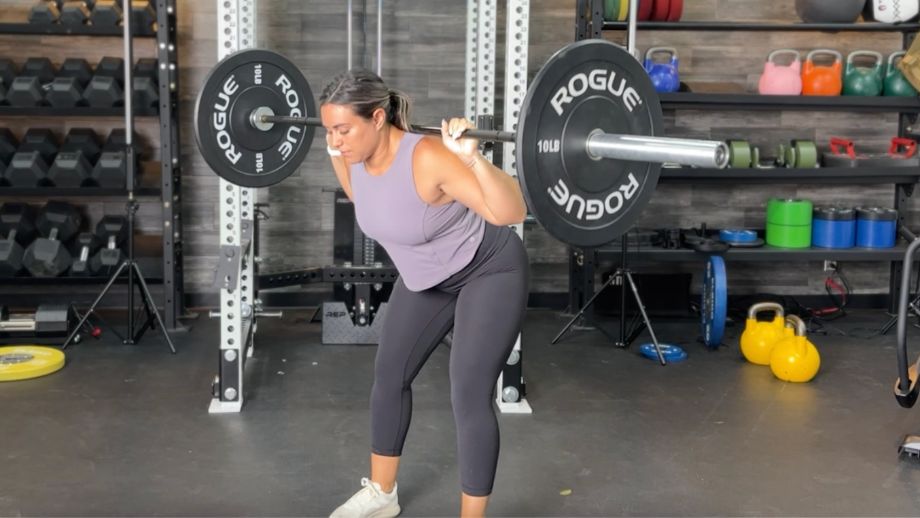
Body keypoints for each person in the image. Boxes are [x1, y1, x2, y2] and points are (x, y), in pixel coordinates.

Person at [321, 69, 530, 518]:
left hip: (488, 270)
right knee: (389, 375)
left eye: (343, 129)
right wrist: (338, 147)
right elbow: (368, 201)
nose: (336, 141)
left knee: (468, 393)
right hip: (427, 279)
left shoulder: (429, 157)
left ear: (378, 117)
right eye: (329, 131)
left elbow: (512, 211)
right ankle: (382, 495)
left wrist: (474, 159)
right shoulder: (348, 155)